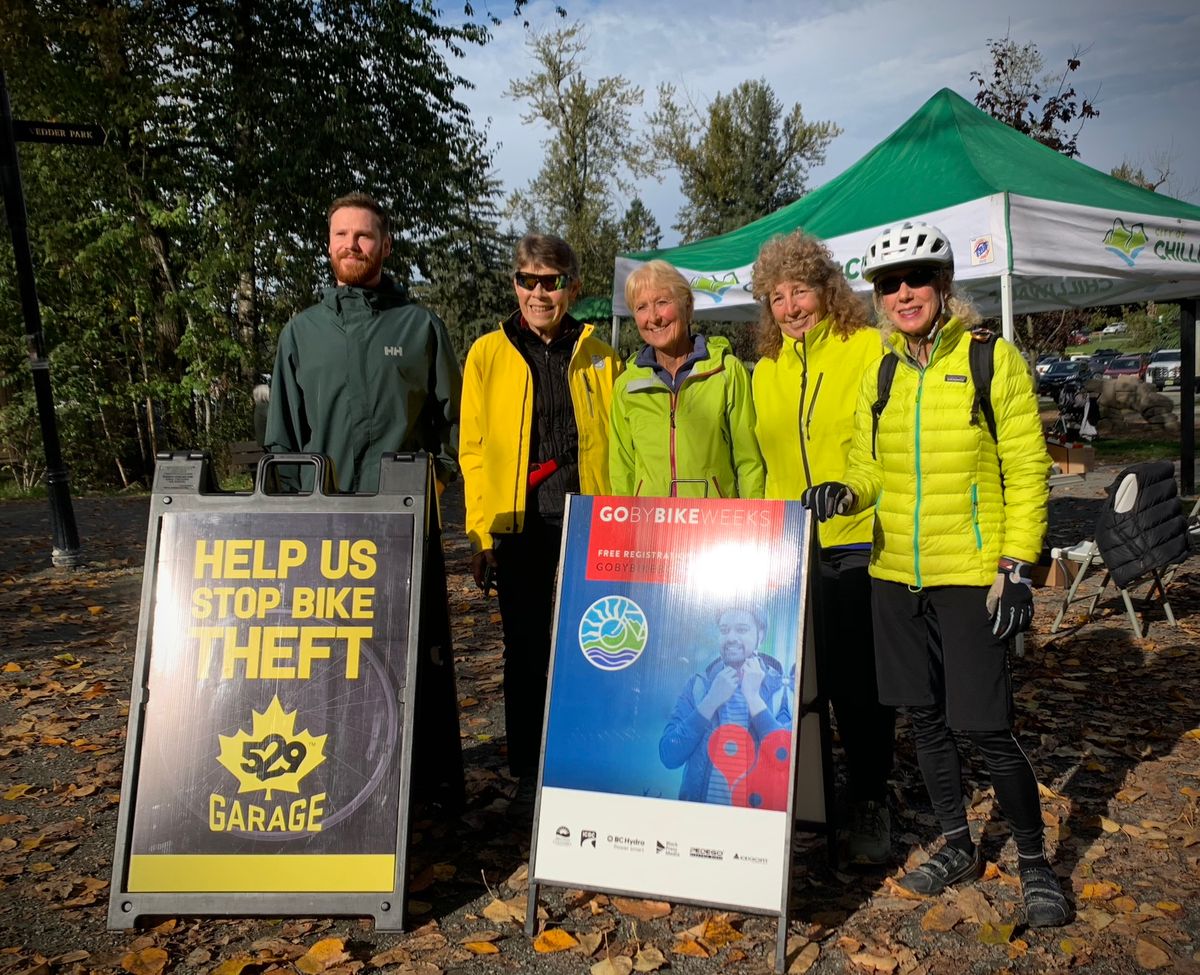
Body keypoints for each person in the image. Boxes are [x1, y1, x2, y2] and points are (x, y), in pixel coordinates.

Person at [804, 222, 1070, 927]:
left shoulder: (991, 361)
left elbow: (1028, 468)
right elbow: (868, 464)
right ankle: (958, 843)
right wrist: (847, 492)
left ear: (944, 286)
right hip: (893, 572)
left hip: (968, 573)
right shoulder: (882, 370)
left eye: (916, 278)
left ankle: (1036, 862)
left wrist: (1016, 564)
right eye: (889, 284)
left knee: (985, 725)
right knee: (922, 718)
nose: (902, 293)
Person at [750, 231, 896, 865]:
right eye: (776, 296)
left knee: (857, 686)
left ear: (828, 290)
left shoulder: (867, 348)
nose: (789, 307)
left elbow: (891, 445)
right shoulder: (765, 372)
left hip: (856, 542)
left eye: (799, 290)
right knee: (793, 682)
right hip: (788, 551)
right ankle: (807, 802)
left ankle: (870, 798)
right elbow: (757, 463)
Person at [459, 234, 620, 808]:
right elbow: (472, 452)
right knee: (526, 649)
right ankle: (529, 774)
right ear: (515, 286)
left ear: (572, 286)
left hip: (591, 520)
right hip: (520, 523)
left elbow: (620, 441)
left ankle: (586, 764)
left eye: (550, 280)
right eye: (527, 280)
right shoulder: (487, 353)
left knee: (595, 646)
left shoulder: (600, 353)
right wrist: (480, 534)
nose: (537, 291)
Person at [265, 192, 461, 493]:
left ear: (386, 246)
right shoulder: (300, 333)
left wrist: (438, 479)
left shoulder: (421, 328)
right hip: (319, 518)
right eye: (340, 234)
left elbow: (455, 419)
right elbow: (283, 435)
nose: (351, 245)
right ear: (329, 244)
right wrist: (295, 504)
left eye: (363, 235)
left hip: (403, 515)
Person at [609, 260, 763, 498]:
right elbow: (622, 470)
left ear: (687, 306)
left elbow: (749, 461)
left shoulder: (727, 372)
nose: (654, 317)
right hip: (651, 524)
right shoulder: (626, 386)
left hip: (713, 525)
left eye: (662, 302)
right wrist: (626, 528)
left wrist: (754, 526)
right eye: (641, 307)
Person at [659, 608, 789, 805]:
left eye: (742, 629)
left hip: (753, 826)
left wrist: (754, 699)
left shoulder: (781, 690)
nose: (731, 638)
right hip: (698, 821)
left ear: (760, 635)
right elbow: (669, 756)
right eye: (724, 630)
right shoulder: (698, 686)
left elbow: (786, 763)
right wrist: (710, 701)